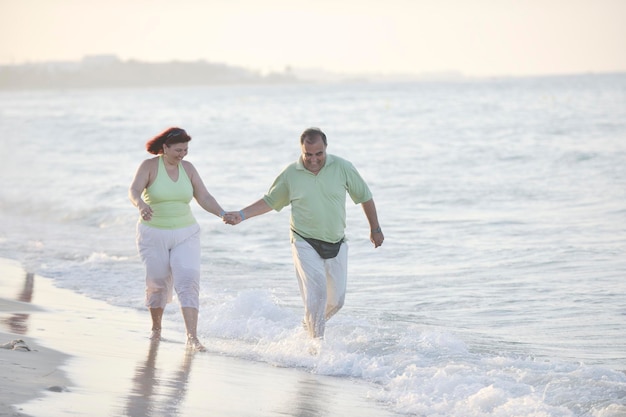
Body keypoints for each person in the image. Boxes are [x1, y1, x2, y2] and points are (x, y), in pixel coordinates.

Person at [224, 127, 384, 339]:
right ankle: (316, 347)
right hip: (303, 240)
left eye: (319, 153)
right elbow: (270, 201)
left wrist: (375, 228)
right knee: (316, 293)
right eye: (308, 154)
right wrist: (242, 215)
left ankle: (308, 324)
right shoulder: (291, 173)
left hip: (336, 240)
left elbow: (365, 196)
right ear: (302, 150)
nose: (313, 159)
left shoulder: (343, 167)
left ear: (326, 148)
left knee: (336, 300)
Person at [129, 127, 226, 351]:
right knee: (158, 283)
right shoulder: (149, 166)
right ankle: (156, 329)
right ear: (165, 148)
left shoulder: (188, 169)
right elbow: (133, 190)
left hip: (186, 232)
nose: (182, 154)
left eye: (186, 150)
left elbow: (204, 196)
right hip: (153, 233)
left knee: (189, 281)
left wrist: (222, 213)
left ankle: (192, 337)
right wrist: (141, 205)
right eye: (178, 150)